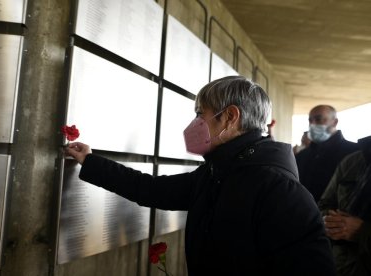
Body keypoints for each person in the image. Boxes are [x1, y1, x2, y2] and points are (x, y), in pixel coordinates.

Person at [66, 76, 335, 275]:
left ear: (230, 117)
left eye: (200, 113)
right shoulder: (216, 172)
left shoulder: (278, 189)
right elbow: (148, 189)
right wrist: (90, 161)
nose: (195, 123)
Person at [319, 135, 371, 276]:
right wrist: (332, 222)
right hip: (341, 265)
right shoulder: (353, 161)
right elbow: (324, 204)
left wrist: (362, 231)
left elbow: (359, 230)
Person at [295, 105, 358, 202]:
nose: (312, 124)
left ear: (335, 122)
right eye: (310, 120)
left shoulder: (354, 153)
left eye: (318, 119)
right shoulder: (302, 156)